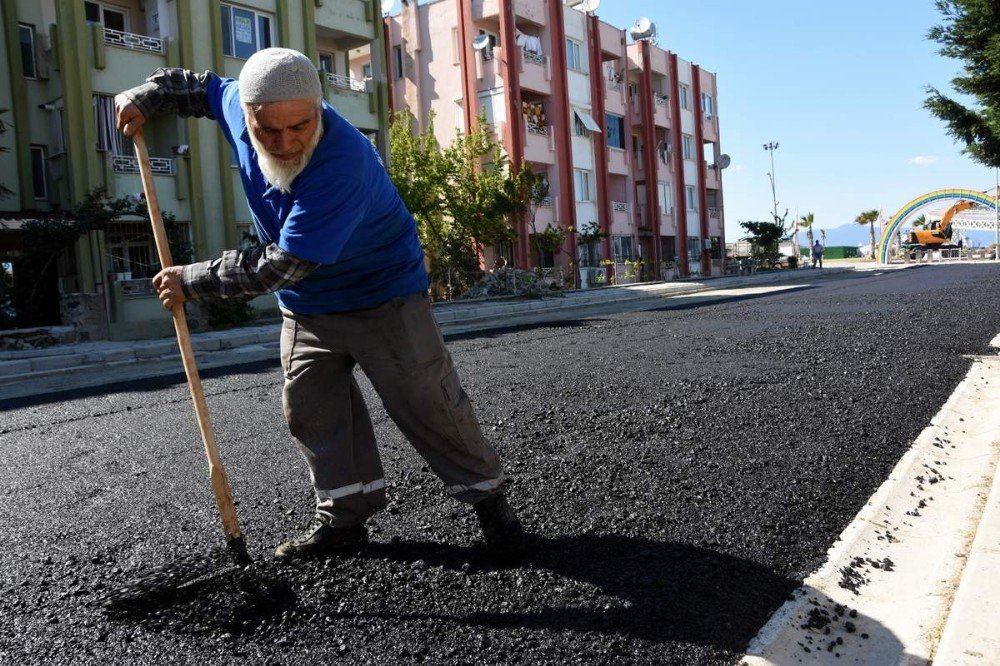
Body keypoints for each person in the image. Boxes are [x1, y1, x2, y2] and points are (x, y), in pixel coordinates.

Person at [115, 48, 527, 562]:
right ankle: (344, 521)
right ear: (246, 115)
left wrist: (192, 280)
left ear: (319, 107)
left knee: (428, 401)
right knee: (310, 408)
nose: (286, 143)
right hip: (308, 306)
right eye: (269, 131)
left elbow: (282, 264)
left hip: (383, 294)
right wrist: (144, 97)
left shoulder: (343, 163)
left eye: (300, 126)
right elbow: (194, 86)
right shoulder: (235, 104)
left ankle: (490, 504)